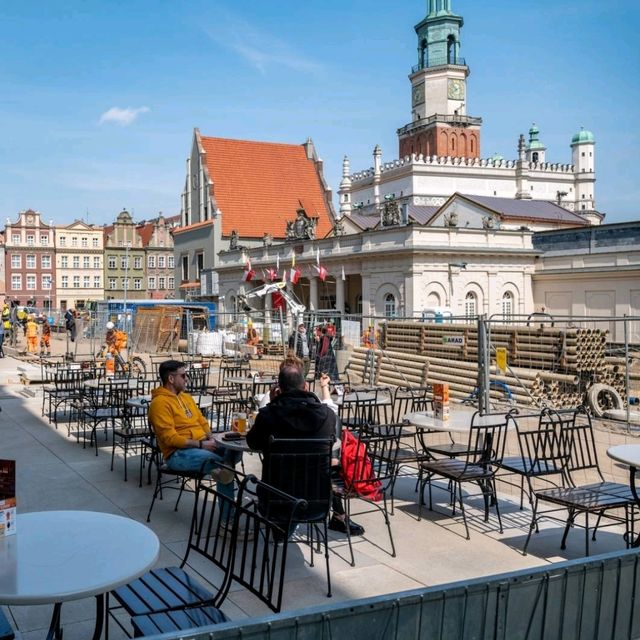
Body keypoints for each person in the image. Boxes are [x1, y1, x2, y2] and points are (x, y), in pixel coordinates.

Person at [247, 363, 364, 536]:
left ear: (278, 389)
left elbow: (253, 443)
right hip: (318, 504)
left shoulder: (268, 415)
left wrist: (271, 403)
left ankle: (282, 529)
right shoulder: (328, 416)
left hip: (276, 502)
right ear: (306, 386)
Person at [148, 360, 241, 508]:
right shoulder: (159, 403)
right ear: (171, 379)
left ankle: (224, 469)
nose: (187, 379)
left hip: (201, 444)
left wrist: (212, 438)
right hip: (177, 454)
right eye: (183, 375)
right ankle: (227, 522)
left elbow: (201, 420)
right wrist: (201, 445)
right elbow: (170, 438)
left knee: (235, 447)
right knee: (221, 466)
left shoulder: (186, 397)